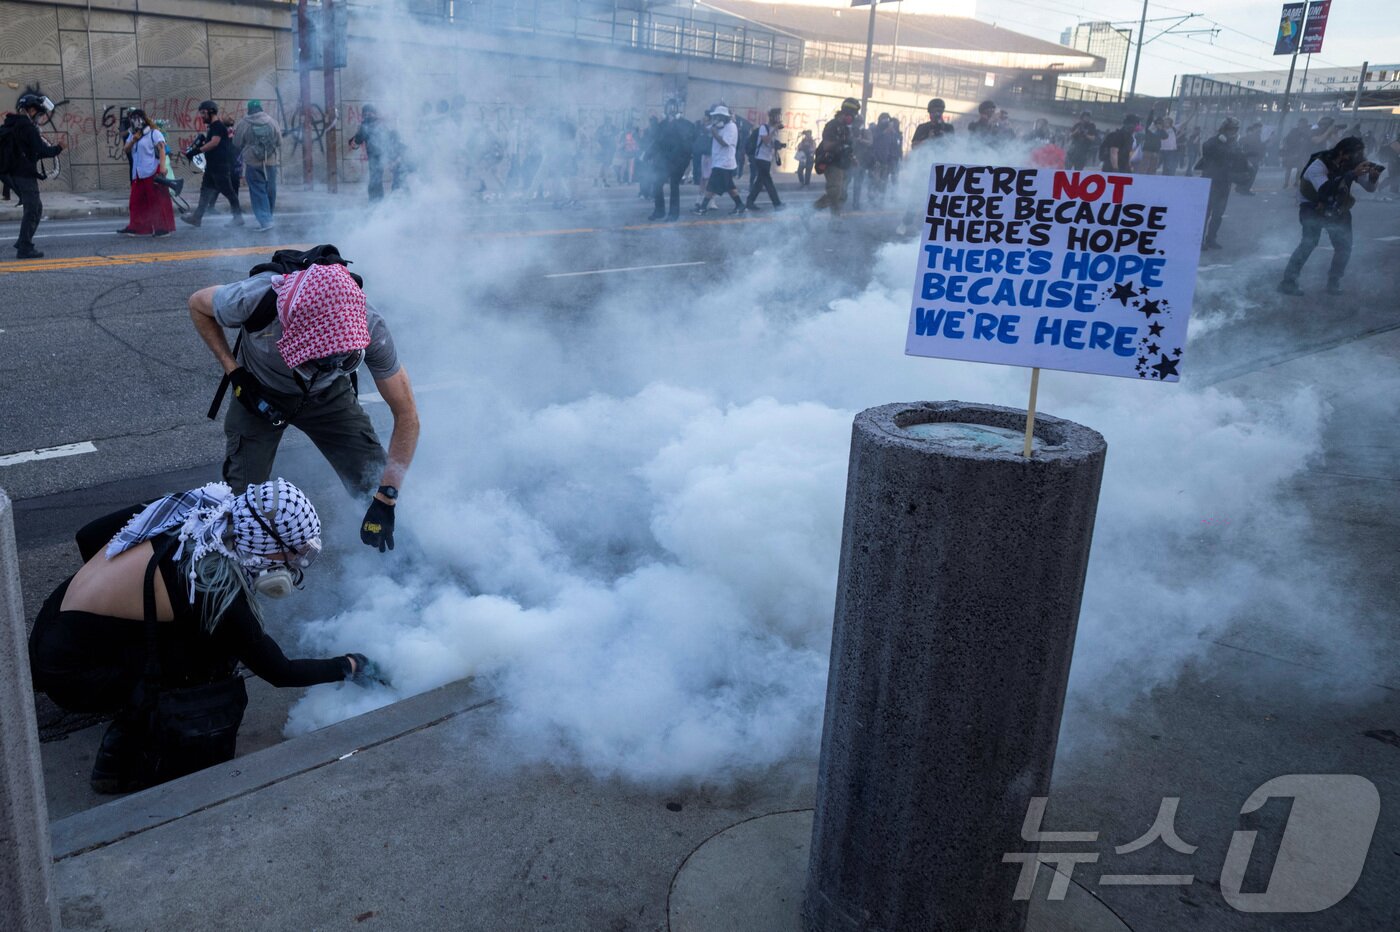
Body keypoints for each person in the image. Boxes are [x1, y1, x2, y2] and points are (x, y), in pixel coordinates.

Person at [29, 478, 385, 793]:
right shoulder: (213, 586)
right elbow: (280, 671)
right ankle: (121, 759)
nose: (297, 562)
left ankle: (124, 669)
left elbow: (89, 535)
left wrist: (119, 597)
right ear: (266, 544)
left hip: (51, 626)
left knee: (185, 630)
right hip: (69, 675)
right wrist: (350, 665)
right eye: (295, 552)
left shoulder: (197, 510)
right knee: (209, 664)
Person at [188, 258, 420, 552]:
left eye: (343, 359)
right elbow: (197, 304)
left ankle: (406, 560)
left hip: (328, 395)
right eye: (320, 361)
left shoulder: (369, 325)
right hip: (259, 392)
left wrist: (386, 499)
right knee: (243, 501)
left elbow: (407, 415)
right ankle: (240, 564)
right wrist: (234, 372)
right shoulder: (253, 298)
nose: (331, 364)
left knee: (373, 481)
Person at [1278, 137, 1382, 296]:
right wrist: (1351, 174)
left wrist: (1373, 178)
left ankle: (1334, 282)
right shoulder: (1319, 165)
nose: (1359, 157)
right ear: (1342, 152)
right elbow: (1325, 189)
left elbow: (1369, 188)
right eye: (1355, 154)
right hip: (1313, 206)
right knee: (1309, 243)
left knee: (1344, 246)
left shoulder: (1351, 164)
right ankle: (1288, 282)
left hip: (1337, 207)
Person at [0, 90, 66, 259]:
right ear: (31, 110)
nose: (40, 118)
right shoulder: (28, 128)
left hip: (12, 175)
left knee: (34, 208)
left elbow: (31, 151)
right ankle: (25, 247)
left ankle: (23, 241)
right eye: (39, 114)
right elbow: (41, 150)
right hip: (24, 175)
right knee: (33, 210)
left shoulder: (12, 124)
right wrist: (59, 148)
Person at [180, 100, 244, 228]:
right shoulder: (213, 127)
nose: (202, 116)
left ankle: (238, 218)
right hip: (212, 166)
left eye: (203, 113)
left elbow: (214, 142)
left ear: (211, 112)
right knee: (205, 191)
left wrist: (196, 151)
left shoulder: (218, 126)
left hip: (219, 166)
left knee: (228, 192)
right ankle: (197, 218)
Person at [117, 109, 176, 238]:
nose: (133, 121)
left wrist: (162, 168)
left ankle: (162, 228)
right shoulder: (133, 135)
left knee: (156, 202)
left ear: (143, 119)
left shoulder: (154, 133)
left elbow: (162, 150)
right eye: (132, 119)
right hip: (138, 173)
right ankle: (138, 227)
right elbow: (126, 149)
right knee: (136, 201)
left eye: (136, 118)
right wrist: (134, 140)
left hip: (151, 171)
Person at [1197, 117, 1248, 250]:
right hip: (1211, 181)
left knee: (1218, 214)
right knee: (1205, 213)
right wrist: (1223, 143)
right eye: (1230, 129)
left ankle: (1211, 239)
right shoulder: (1214, 142)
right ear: (1224, 129)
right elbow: (1206, 150)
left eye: (1235, 129)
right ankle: (1199, 240)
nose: (1233, 132)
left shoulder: (1234, 144)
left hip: (1225, 182)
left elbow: (1239, 160)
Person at [233, 99, 282, 232]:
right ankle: (269, 217)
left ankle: (265, 221)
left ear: (249, 110)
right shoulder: (272, 121)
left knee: (257, 191)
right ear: (260, 108)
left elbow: (237, 143)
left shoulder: (244, 123)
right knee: (270, 189)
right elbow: (279, 141)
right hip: (270, 162)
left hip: (253, 162)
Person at [647, 100, 694, 221]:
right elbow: (655, 138)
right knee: (657, 183)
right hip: (664, 160)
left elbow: (686, 138)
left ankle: (673, 214)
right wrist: (653, 121)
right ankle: (659, 211)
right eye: (669, 108)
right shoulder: (663, 124)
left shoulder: (684, 123)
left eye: (673, 108)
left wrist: (676, 121)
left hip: (677, 160)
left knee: (674, 185)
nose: (670, 111)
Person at [693, 105, 744, 216]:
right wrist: (705, 125)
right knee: (730, 187)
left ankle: (702, 207)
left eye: (718, 116)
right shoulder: (718, 126)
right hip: (718, 161)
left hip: (725, 162)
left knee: (711, 185)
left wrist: (714, 133)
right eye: (715, 116)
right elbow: (706, 129)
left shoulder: (731, 127)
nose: (716, 119)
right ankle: (740, 205)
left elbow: (725, 143)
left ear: (724, 117)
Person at [813, 98, 859, 217]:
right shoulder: (832, 125)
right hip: (832, 163)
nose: (853, 118)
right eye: (852, 115)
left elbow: (847, 146)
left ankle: (835, 222)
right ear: (846, 113)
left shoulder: (846, 128)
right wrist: (840, 141)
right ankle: (809, 211)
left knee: (842, 195)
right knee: (834, 192)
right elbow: (827, 145)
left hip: (843, 163)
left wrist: (852, 158)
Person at [348, 104, 403, 202]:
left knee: (379, 178)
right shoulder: (375, 124)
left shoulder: (368, 125)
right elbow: (356, 142)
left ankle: (382, 200)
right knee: (392, 175)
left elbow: (356, 142)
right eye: (366, 114)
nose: (367, 116)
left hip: (383, 155)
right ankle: (392, 199)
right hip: (385, 155)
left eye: (368, 113)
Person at [745, 107, 785, 211]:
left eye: (779, 116)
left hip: (767, 159)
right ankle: (777, 204)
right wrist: (774, 129)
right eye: (777, 116)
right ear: (772, 117)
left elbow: (771, 144)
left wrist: (778, 145)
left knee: (759, 183)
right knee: (768, 181)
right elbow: (766, 140)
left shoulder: (775, 130)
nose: (779, 119)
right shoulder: (764, 128)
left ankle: (749, 202)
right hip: (760, 158)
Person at [1280, 121, 1312, 188]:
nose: (1302, 126)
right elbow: (1286, 139)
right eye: (1301, 124)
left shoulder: (1306, 133)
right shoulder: (1293, 131)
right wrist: (1285, 148)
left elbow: (1307, 143)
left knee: (1299, 169)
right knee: (1289, 168)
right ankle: (1286, 183)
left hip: (1300, 153)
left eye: (1303, 124)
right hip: (1291, 152)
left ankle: (1296, 182)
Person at [1236, 122, 1265, 195]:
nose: (1260, 131)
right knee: (1251, 175)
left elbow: (1261, 148)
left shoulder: (1255, 137)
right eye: (1259, 129)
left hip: (1252, 158)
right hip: (1251, 158)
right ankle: (1245, 189)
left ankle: (1240, 188)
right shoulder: (1254, 137)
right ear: (1255, 128)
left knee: (1247, 174)